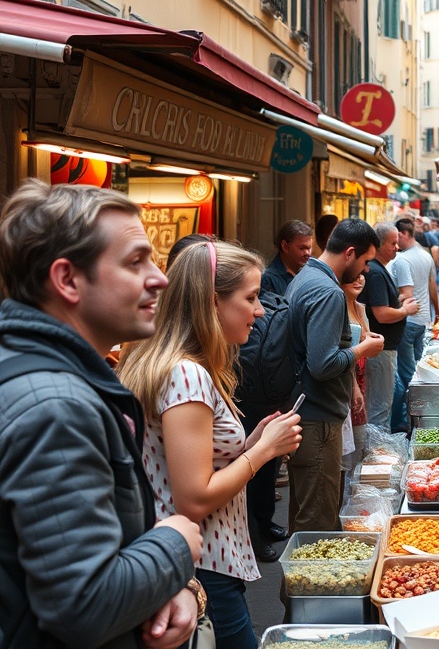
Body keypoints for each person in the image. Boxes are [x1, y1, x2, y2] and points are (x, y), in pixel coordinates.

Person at [0, 180, 203, 649]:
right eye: (136, 262)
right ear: (67, 279)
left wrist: (180, 588)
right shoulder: (56, 409)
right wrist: (175, 543)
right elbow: (84, 606)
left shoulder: (45, 379)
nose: (160, 278)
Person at [118, 241, 303, 649]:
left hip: (192, 558)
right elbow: (194, 498)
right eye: (250, 298)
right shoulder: (188, 375)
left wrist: (250, 443)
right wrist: (261, 453)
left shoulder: (171, 362)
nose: (260, 310)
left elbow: (181, 464)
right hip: (201, 565)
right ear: (211, 303)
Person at [285, 218, 384, 532]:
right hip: (318, 419)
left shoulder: (305, 277)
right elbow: (323, 363)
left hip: (306, 411)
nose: (366, 270)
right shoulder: (328, 292)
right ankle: (307, 583)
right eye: (366, 261)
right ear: (350, 253)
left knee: (306, 517)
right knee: (318, 522)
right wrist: (362, 350)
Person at [358, 221, 418, 430]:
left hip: (384, 348)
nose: (397, 247)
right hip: (380, 350)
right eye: (393, 243)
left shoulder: (378, 270)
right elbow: (381, 314)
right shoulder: (375, 272)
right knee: (380, 406)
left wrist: (400, 303)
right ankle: (377, 453)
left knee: (387, 399)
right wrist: (405, 310)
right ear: (380, 244)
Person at [391, 217, 439, 432]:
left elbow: (406, 294)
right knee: (418, 371)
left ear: (403, 234)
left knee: (407, 375)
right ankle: (422, 416)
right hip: (421, 322)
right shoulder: (425, 255)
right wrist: (436, 313)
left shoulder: (401, 260)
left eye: (396, 237)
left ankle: (410, 420)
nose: (394, 243)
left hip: (407, 321)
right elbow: (432, 286)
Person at [341, 273, 371, 470]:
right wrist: (354, 387)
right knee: (345, 453)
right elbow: (344, 354)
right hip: (346, 382)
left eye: (361, 275)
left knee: (359, 443)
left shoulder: (360, 308)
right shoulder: (338, 309)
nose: (359, 279)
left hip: (360, 381)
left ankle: (353, 495)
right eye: (353, 276)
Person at [262, 220, 313, 296]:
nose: (308, 253)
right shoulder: (268, 279)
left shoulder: (310, 273)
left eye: (309, 248)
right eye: (302, 248)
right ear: (285, 246)